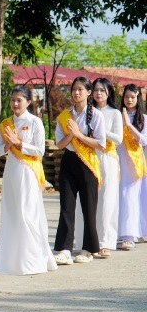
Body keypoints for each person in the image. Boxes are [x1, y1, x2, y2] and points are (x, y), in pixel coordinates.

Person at [0, 85, 57, 275]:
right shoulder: (6, 124)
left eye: (19, 100)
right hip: (12, 171)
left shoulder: (35, 122)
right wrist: (8, 145)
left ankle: (32, 260)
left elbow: (40, 150)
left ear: (28, 102)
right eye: (13, 100)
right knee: (12, 212)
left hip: (29, 172)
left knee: (28, 212)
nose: (15, 103)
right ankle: (10, 261)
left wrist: (19, 144)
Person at [54, 76, 106, 265]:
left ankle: (88, 249)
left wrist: (78, 135)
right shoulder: (65, 116)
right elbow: (60, 144)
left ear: (88, 92)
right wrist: (71, 135)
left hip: (88, 163)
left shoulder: (97, 115)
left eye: (80, 89)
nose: (76, 93)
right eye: (74, 89)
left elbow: (101, 144)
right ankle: (64, 249)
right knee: (66, 207)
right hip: (69, 162)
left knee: (88, 208)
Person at [74, 78, 121, 258]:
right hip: (89, 157)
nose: (98, 93)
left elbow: (118, 139)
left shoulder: (114, 113)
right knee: (87, 200)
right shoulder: (87, 111)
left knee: (106, 200)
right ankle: (85, 241)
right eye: (95, 90)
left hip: (107, 158)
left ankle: (105, 242)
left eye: (102, 90)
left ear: (109, 93)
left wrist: (100, 131)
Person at [117, 84, 147, 250]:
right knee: (119, 195)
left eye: (132, 97)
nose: (129, 100)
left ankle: (128, 235)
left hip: (134, 161)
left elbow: (144, 140)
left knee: (131, 196)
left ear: (138, 98)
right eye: (126, 97)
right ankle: (117, 232)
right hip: (119, 158)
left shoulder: (143, 119)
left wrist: (129, 125)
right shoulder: (117, 115)